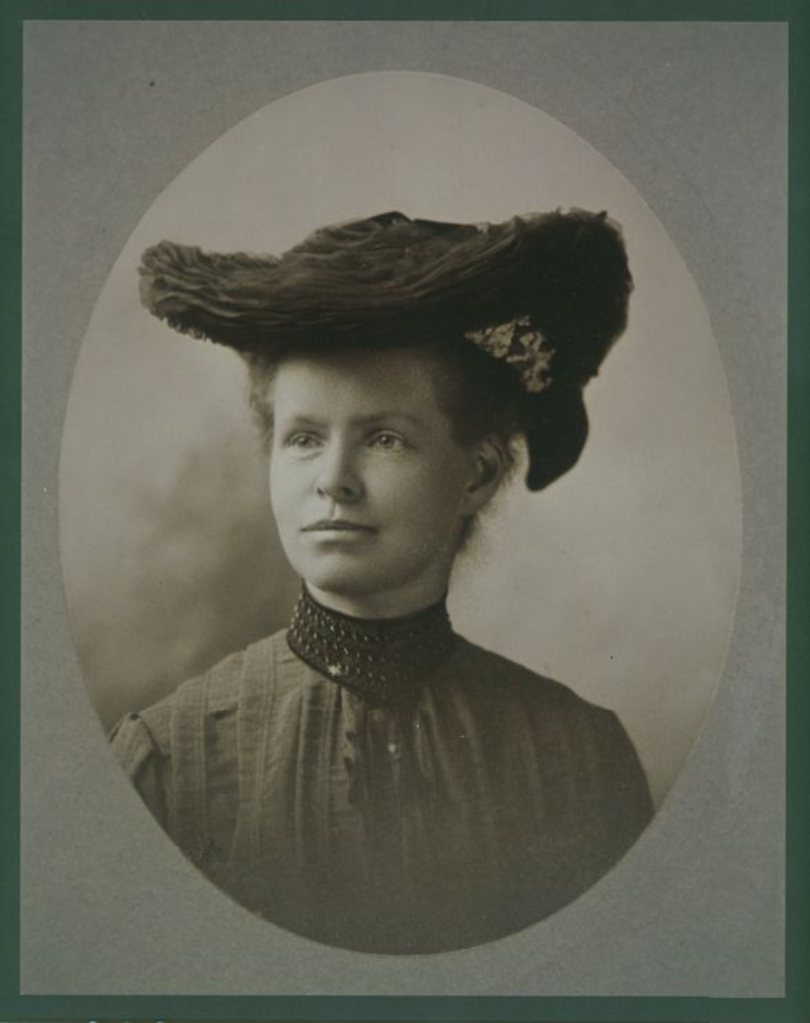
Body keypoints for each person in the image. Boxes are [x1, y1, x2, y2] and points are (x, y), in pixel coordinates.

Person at [110, 208, 654, 954]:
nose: (334, 481)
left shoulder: (578, 760)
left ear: (480, 471)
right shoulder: (165, 761)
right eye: (302, 439)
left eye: (385, 439)